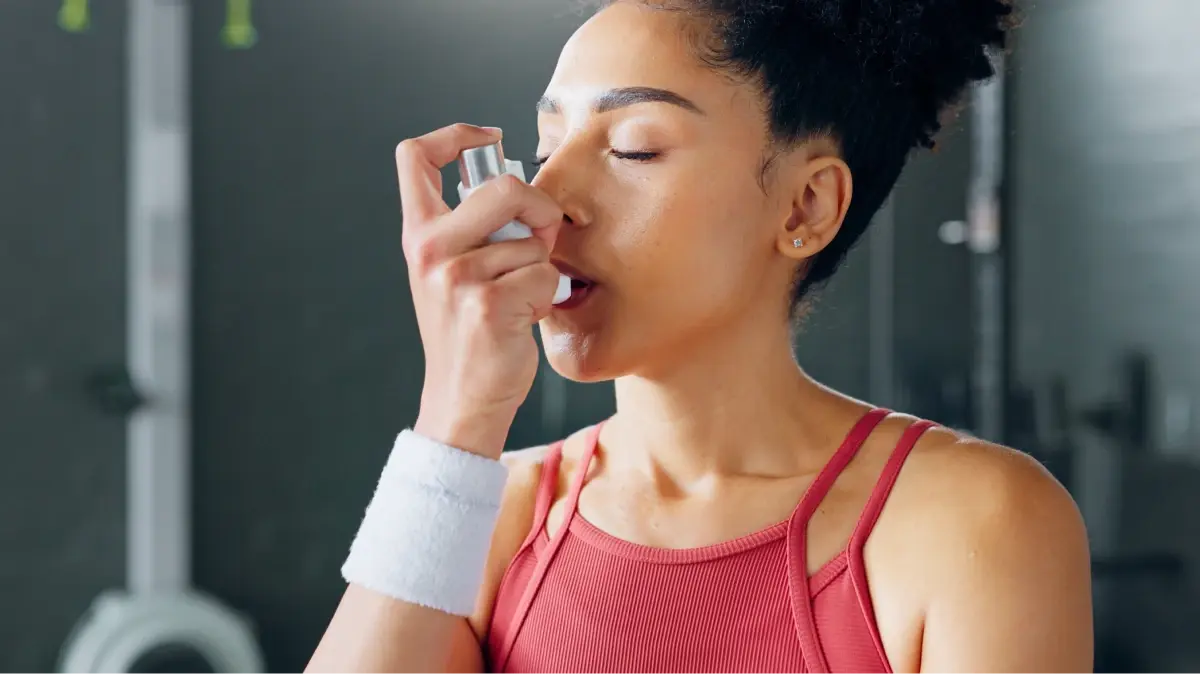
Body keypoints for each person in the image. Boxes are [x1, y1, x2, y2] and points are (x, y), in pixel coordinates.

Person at [307, 1, 1093, 672]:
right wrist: (456, 422)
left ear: (805, 207)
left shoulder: (976, 525)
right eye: (545, 149)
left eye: (633, 148)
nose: (546, 198)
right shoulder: (485, 516)